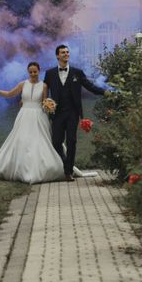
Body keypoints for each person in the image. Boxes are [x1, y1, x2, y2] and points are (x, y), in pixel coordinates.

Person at [0, 62, 64, 184]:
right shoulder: (22, 84)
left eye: (35, 71)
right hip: (24, 115)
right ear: (28, 72)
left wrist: (49, 107)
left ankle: (42, 169)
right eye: (30, 72)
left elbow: (44, 102)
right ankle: (20, 170)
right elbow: (10, 94)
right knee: (21, 141)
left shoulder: (44, 86)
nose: (33, 74)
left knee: (39, 141)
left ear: (39, 71)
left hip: (39, 116)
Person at [44, 44, 107, 182]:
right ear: (57, 55)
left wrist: (104, 92)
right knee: (56, 142)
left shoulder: (77, 72)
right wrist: (43, 102)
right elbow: (44, 89)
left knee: (72, 141)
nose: (66, 54)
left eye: (67, 52)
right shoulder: (50, 73)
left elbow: (89, 86)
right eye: (63, 52)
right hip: (57, 113)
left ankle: (68, 171)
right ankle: (66, 163)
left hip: (73, 113)